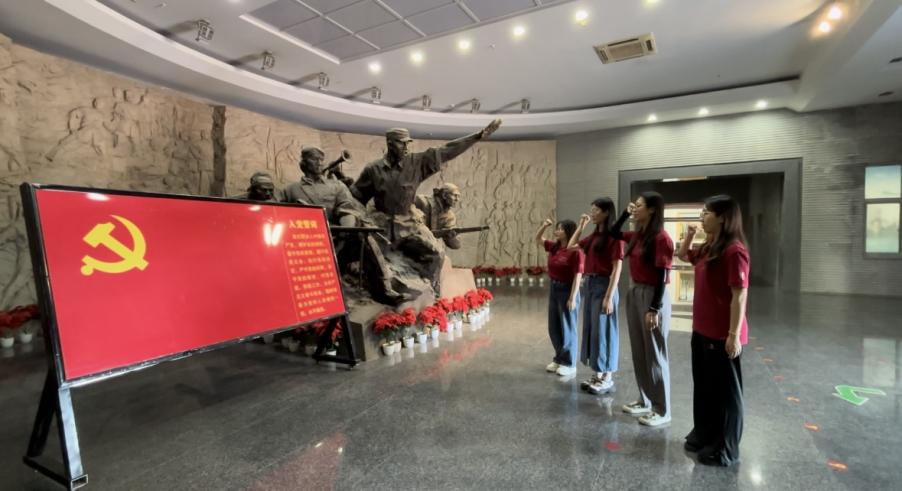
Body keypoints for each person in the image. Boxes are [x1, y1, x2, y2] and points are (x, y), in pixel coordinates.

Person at [350, 120, 501, 292]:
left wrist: (477, 136)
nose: (406, 147)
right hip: (381, 227)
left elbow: (447, 151)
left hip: (409, 225)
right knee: (370, 262)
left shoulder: (416, 162)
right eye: (401, 143)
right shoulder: (373, 169)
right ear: (390, 144)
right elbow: (356, 198)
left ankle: (431, 292)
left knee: (436, 255)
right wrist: (361, 221)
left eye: (408, 143)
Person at [283, 146, 411, 305]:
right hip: (307, 242)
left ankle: (384, 290)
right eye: (314, 159)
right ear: (303, 163)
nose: (320, 163)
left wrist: (346, 230)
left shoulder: (337, 186)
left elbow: (346, 209)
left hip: (338, 237)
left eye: (321, 160)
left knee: (364, 238)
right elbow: (278, 215)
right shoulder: (291, 190)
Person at [677, 195, 750, 467]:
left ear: (722, 217)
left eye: (707, 212)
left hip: (722, 334)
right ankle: (704, 433)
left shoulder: (734, 251)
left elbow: (739, 295)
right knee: (704, 387)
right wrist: (689, 236)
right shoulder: (709, 247)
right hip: (702, 329)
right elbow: (683, 255)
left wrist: (733, 335)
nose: (702, 216)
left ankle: (725, 448)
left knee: (726, 394)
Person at [610, 191, 674, 427]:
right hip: (635, 292)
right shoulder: (638, 235)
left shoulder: (662, 238)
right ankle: (645, 399)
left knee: (655, 353)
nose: (635, 209)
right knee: (640, 351)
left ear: (652, 209)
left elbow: (662, 275)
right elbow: (613, 233)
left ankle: (662, 409)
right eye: (634, 206)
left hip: (652, 296)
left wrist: (654, 308)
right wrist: (624, 214)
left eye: (639, 206)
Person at [568, 197, 624, 395]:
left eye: (596, 210)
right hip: (591, 285)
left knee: (605, 331)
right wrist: (581, 226)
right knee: (593, 330)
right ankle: (598, 373)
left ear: (607, 212)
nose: (592, 213)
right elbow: (571, 246)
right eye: (591, 209)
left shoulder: (615, 237)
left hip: (604, 285)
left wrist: (609, 297)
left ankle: (607, 376)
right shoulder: (594, 237)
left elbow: (617, 268)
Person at [535, 218, 584, 377]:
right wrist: (544, 225)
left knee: (567, 327)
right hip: (554, 288)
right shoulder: (554, 247)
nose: (557, 231)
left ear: (568, 231)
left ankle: (569, 363)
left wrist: (573, 297)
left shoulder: (576, 251)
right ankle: (559, 358)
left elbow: (578, 275)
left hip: (567, 289)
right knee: (554, 326)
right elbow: (537, 239)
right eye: (556, 228)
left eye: (560, 229)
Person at [415, 183, 462, 249]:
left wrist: (452, 237)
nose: (457, 199)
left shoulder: (449, 217)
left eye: (458, 196)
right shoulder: (422, 201)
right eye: (455, 195)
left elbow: (456, 246)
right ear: (444, 195)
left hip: (427, 247)